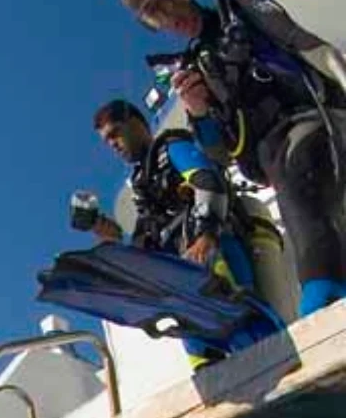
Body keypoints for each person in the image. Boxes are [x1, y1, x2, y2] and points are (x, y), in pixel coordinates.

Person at [119, 0, 346, 318]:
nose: (166, 16)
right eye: (152, 16)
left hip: (311, 120)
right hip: (270, 154)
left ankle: (325, 294)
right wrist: (198, 110)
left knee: (297, 172)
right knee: (296, 183)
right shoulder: (195, 70)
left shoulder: (234, 7)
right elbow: (220, 156)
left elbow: (302, 41)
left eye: (161, 1)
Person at [87, 98, 271, 366]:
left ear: (136, 124)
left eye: (115, 133)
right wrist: (113, 241)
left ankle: (277, 363)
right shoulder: (143, 188)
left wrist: (206, 237)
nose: (113, 144)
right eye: (107, 141)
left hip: (215, 256)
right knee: (202, 357)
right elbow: (145, 248)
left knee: (248, 331)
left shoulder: (172, 148)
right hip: (187, 283)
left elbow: (208, 183)